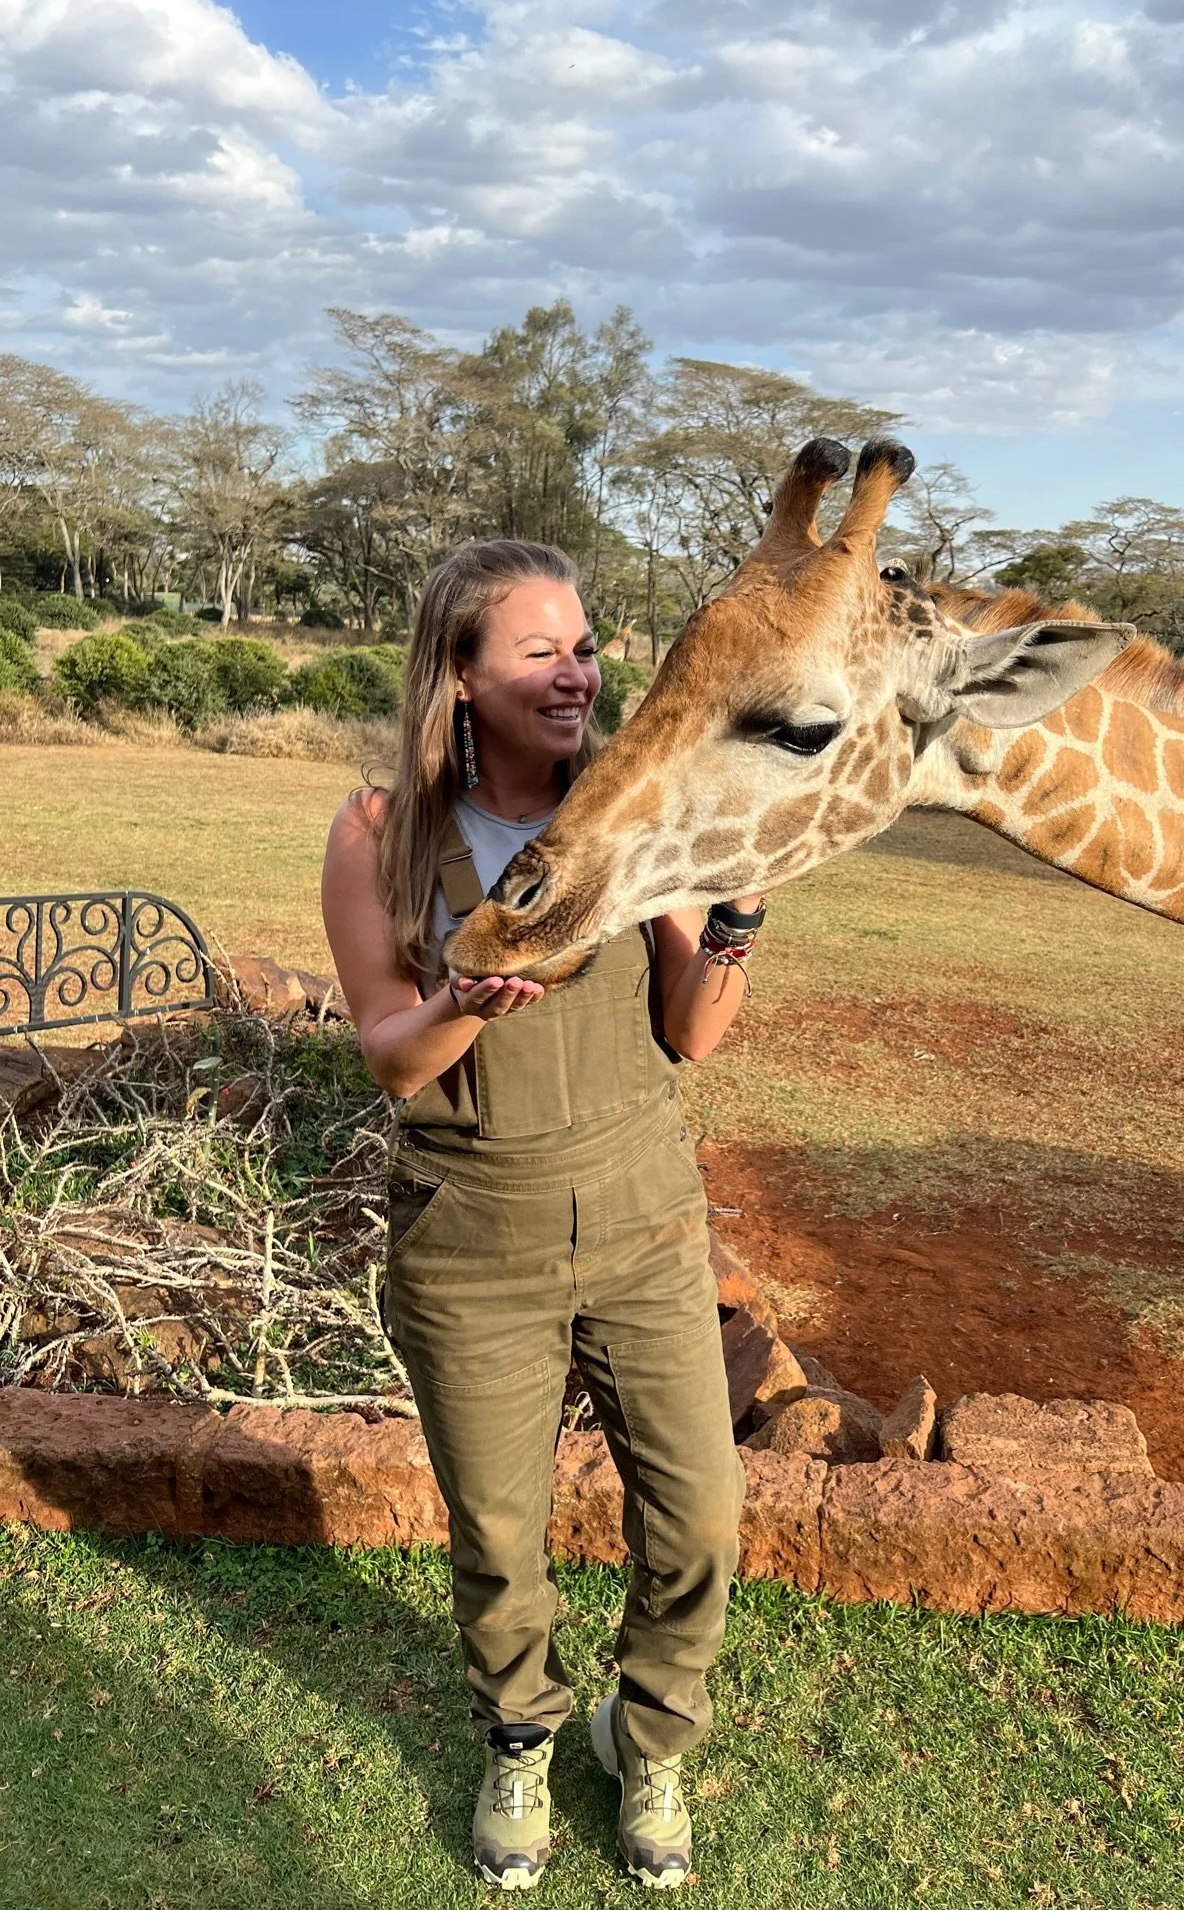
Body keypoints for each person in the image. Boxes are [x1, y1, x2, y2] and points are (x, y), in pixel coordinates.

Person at [321, 539, 765, 1892]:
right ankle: (521, 1734)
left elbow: (691, 1034)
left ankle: (654, 1729)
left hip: (642, 1216)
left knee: (699, 1516)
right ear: (460, 673)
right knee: (500, 1530)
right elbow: (393, 1058)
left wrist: (739, 909)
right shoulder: (378, 834)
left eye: (583, 647)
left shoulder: (639, 811)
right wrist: (468, 997)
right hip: (471, 1239)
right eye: (540, 651)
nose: (577, 675)